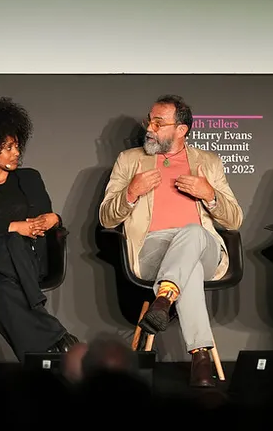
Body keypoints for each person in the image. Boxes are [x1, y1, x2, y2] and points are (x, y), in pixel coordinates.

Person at [99, 94, 243, 387]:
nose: (149, 128)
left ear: (181, 130)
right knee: (185, 269)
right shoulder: (130, 161)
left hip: (204, 247)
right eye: (149, 120)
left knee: (191, 233)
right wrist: (131, 192)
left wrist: (209, 195)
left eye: (158, 122)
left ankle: (164, 298)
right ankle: (200, 357)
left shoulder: (207, 163)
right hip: (153, 250)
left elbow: (234, 220)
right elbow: (106, 218)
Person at [0, 97, 78, 361]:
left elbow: (44, 220)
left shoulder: (30, 179)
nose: (16, 152)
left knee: (1, 289)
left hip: (22, 265)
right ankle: (42, 313)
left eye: (17, 146)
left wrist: (54, 218)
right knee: (11, 240)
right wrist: (14, 227)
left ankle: (36, 361)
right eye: (8, 147)